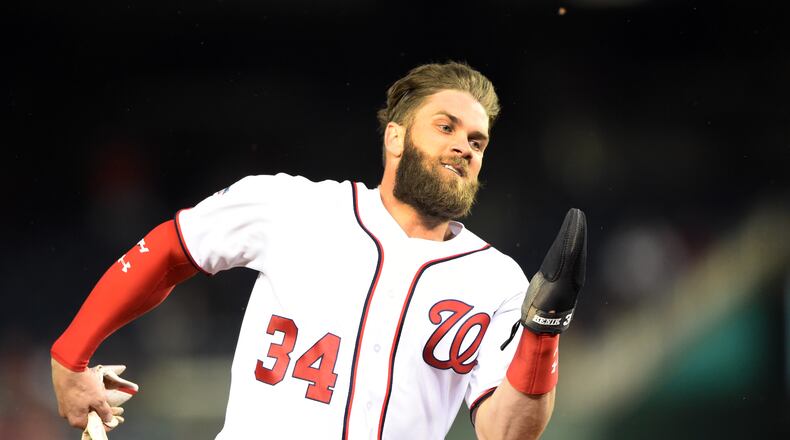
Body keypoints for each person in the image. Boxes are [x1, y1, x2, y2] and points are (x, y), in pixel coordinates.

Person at [51, 61, 586, 439]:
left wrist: (543, 333)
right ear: (395, 138)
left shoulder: (496, 281)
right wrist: (71, 354)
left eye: (477, 141)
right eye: (445, 127)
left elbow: (506, 432)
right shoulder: (293, 206)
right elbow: (171, 248)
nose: (464, 147)